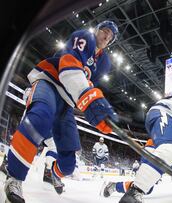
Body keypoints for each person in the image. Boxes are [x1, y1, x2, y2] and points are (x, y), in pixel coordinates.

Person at [3, 20, 120, 203]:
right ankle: (14, 177)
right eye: (105, 31)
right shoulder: (84, 37)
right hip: (49, 82)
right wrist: (91, 100)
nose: (106, 36)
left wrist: (98, 110)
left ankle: (55, 174)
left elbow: (85, 84)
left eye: (110, 36)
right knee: (40, 117)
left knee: (68, 164)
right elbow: (69, 70)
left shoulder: (104, 62)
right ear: (97, 30)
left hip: (66, 103)